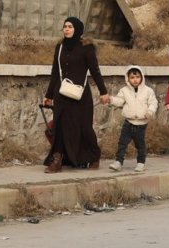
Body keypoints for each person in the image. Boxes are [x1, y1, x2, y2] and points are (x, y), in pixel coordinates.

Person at [42, 17, 110, 172]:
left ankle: (94, 156)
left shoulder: (86, 47)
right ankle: (57, 160)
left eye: (70, 26)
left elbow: (95, 71)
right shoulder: (59, 47)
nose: (66, 29)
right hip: (61, 94)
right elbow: (54, 72)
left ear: (77, 29)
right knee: (59, 126)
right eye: (65, 26)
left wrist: (103, 91)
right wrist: (49, 95)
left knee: (84, 127)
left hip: (80, 95)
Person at [107, 65, 157, 173]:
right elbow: (119, 101)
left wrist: (150, 112)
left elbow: (153, 103)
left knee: (140, 144)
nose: (135, 80)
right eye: (132, 78)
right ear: (128, 79)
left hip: (141, 123)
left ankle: (141, 163)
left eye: (137, 77)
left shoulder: (148, 91)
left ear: (141, 77)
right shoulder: (124, 91)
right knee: (122, 143)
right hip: (128, 122)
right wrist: (110, 99)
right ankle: (118, 162)